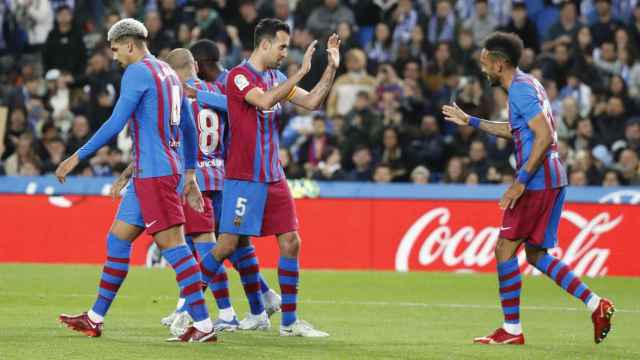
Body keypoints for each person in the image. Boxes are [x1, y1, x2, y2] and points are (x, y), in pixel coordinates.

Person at [442, 32, 614, 345]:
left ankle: (511, 330)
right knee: (535, 254)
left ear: (498, 64)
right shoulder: (528, 84)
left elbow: (545, 135)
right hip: (553, 178)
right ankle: (596, 304)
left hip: (536, 181)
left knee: (504, 249)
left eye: (485, 64)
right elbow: (517, 129)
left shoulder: (518, 90)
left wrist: (519, 182)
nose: (483, 70)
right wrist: (471, 121)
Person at [55, 19, 216, 343]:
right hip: (153, 173)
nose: (114, 57)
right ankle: (95, 318)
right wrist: (188, 173)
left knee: (173, 246)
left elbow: (116, 122)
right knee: (117, 239)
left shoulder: (137, 72)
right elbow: (187, 126)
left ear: (130, 44)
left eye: (115, 50)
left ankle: (203, 324)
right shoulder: (169, 73)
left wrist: (77, 156)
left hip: (155, 174)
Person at [199, 18, 339, 337]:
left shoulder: (277, 77)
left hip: (273, 175)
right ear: (264, 44)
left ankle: (289, 323)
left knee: (291, 242)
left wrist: (331, 68)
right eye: (282, 46)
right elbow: (263, 100)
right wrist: (301, 71)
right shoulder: (238, 77)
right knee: (226, 246)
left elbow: (312, 102)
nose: (284, 52)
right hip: (244, 176)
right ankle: (188, 307)